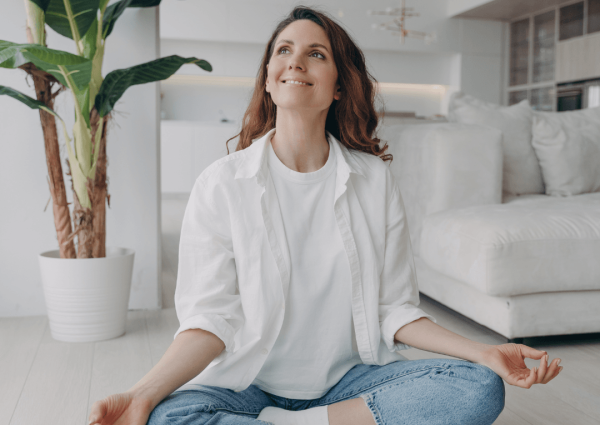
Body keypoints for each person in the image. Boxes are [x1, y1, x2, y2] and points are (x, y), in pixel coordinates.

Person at [88, 6, 563, 425]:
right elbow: (210, 321)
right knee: (171, 414)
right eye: (283, 51)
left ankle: (309, 422)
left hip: (349, 384)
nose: (295, 60)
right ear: (270, 77)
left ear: (339, 85)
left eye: (316, 53)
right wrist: (140, 395)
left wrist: (484, 352)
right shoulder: (221, 184)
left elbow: (394, 309)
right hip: (247, 388)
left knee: (478, 387)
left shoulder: (373, 180)